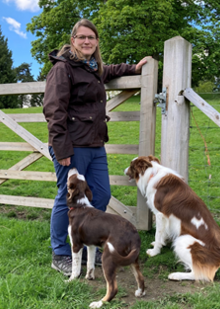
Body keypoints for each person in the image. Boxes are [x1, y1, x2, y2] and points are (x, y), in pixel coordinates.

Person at [43, 18, 150, 276]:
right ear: (73, 41)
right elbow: (53, 110)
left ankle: (88, 239)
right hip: (71, 145)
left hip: (95, 144)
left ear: (97, 42)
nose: (87, 41)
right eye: (82, 37)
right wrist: (62, 149)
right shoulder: (63, 68)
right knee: (67, 198)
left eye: (91, 37)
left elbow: (109, 71)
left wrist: (133, 68)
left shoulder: (93, 68)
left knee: (99, 194)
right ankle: (60, 252)